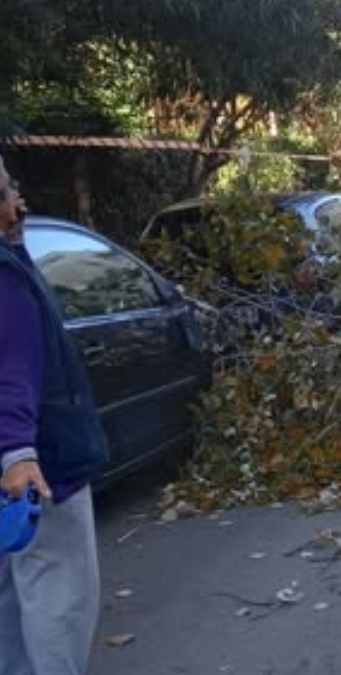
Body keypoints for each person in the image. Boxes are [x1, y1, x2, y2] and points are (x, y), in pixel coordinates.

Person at [0, 153, 108, 675]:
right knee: (58, 602)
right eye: (5, 190)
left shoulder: (9, 263)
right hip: (42, 473)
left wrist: (14, 238)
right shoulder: (4, 281)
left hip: (15, 475)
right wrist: (16, 452)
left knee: (11, 606)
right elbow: (12, 367)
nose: (16, 199)